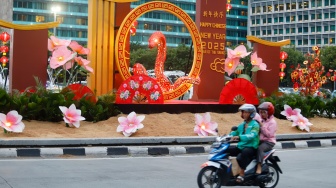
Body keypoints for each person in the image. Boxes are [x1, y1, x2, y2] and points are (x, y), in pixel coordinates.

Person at [228, 104, 260, 183]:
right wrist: (228, 136)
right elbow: (235, 132)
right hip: (242, 146)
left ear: (251, 114)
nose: (244, 114)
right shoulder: (242, 125)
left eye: (247, 112)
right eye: (243, 112)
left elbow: (252, 135)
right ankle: (228, 170)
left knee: (243, 154)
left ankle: (242, 173)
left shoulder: (255, 124)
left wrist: (239, 137)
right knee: (227, 149)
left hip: (251, 147)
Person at [255, 102, 277, 174]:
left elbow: (269, 135)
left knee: (260, 148)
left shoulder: (272, 122)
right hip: (260, 141)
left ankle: (259, 166)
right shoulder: (261, 120)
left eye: (264, 112)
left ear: (269, 112)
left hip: (269, 142)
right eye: (261, 112)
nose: (262, 114)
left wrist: (262, 126)